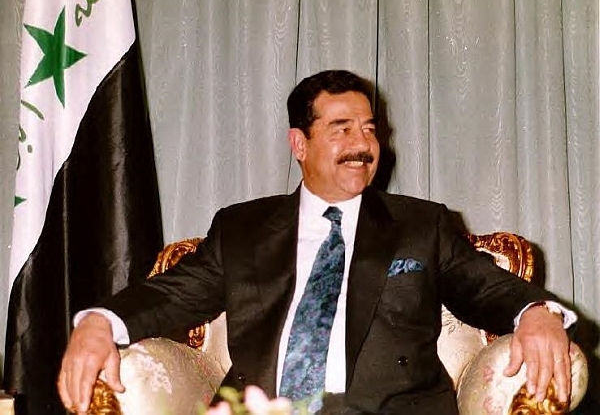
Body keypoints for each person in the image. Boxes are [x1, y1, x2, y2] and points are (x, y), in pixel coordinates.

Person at [58, 70, 575, 415]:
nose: (362, 144)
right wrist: (99, 323)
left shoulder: (420, 225)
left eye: (368, 129)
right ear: (299, 143)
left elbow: (483, 286)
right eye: (341, 129)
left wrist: (535, 313)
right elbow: (173, 294)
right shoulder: (242, 229)